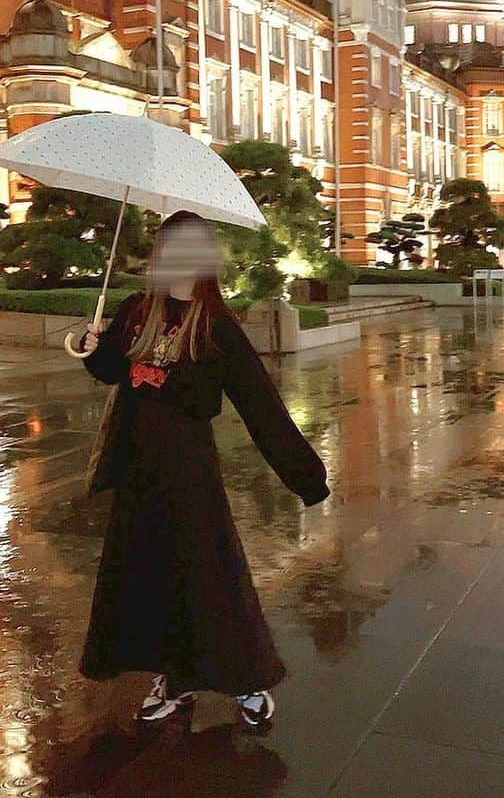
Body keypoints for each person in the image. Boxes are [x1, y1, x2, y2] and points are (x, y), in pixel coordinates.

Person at [76, 210, 329, 727]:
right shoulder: (135, 310)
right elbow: (110, 371)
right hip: (138, 467)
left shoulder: (216, 326)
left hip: (188, 470)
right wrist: (90, 346)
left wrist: (307, 478)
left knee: (209, 577)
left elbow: (255, 405)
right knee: (151, 577)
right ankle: (171, 677)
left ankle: (246, 680)